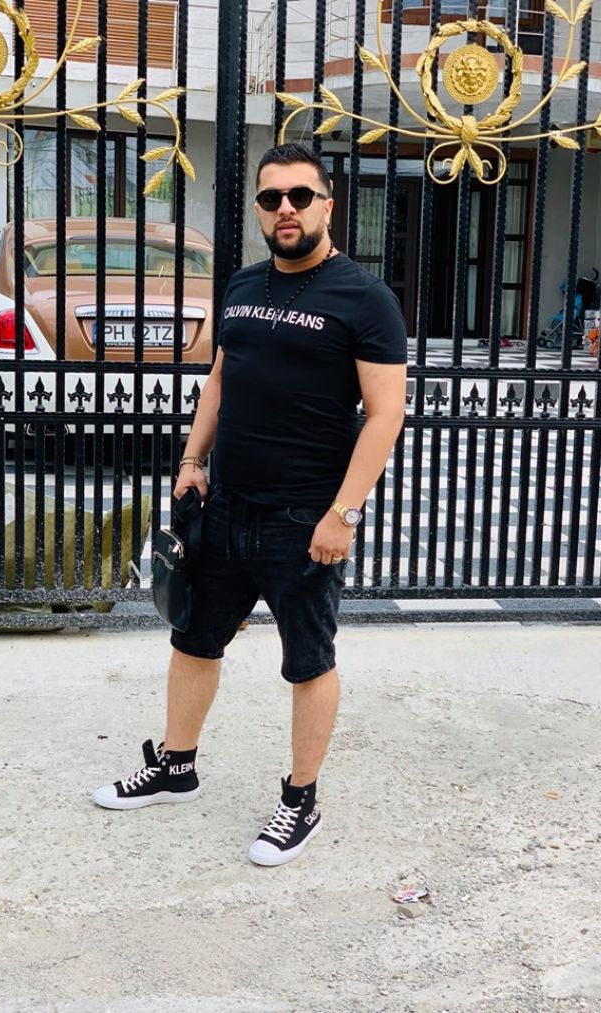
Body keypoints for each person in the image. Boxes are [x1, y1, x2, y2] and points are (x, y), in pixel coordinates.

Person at [93, 143, 408, 866]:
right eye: (271, 198)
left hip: (304, 521)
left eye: (300, 196)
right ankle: (176, 765)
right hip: (226, 507)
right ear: (260, 210)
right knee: (192, 640)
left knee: (308, 661)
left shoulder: (365, 299)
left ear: (328, 205)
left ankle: (301, 798)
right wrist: (191, 461)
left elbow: (385, 413)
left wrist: (344, 513)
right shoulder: (240, 285)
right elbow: (220, 379)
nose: (285, 209)